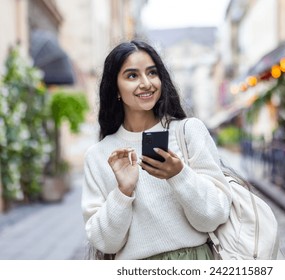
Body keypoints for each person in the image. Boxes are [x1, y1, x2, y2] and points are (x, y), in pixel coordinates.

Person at [81, 39, 232, 260]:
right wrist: (123, 192)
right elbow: (106, 243)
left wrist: (179, 175)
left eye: (152, 73)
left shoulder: (188, 132)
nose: (146, 83)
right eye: (132, 75)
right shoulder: (98, 156)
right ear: (116, 89)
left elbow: (214, 215)